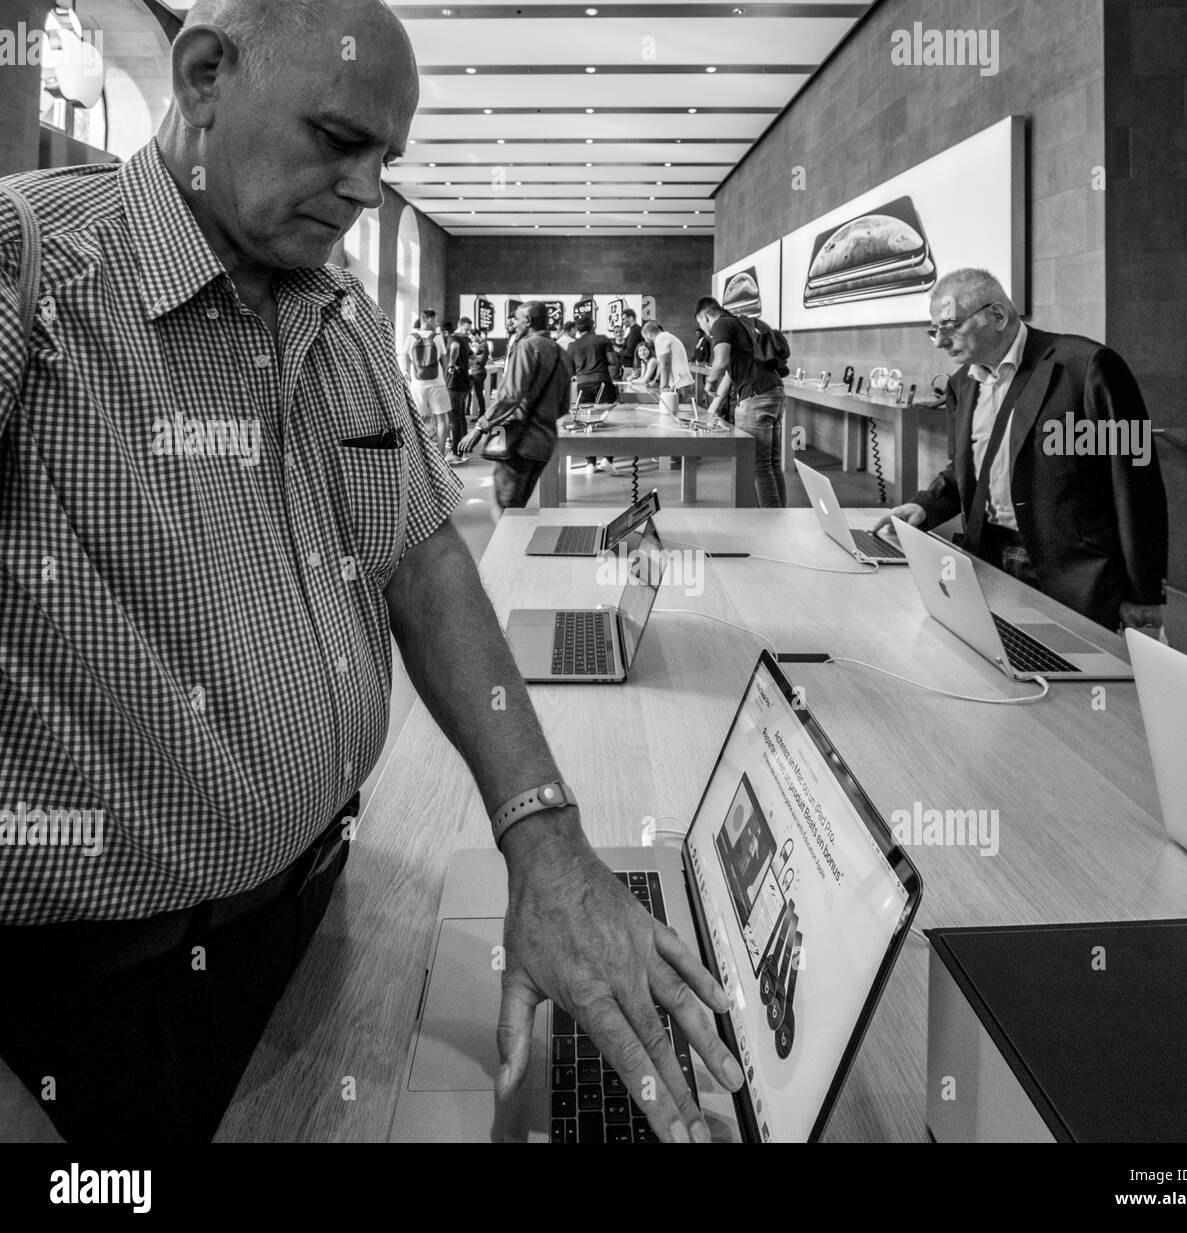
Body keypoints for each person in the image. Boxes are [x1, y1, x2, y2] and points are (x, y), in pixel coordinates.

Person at [0, 0, 738, 1144]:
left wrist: (540, 836)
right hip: (89, 1002)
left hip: (316, 912)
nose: (364, 190)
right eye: (337, 139)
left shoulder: (341, 316)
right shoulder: (29, 270)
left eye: (386, 160)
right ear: (201, 75)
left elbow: (424, 558)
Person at [874, 268, 1168, 634]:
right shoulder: (961, 384)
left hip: (1073, 575)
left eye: (950, 327)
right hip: (988, 560)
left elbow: (1136, 485)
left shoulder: (1086, 368)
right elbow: (968, 469)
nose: (939, 342)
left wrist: (1144, 592)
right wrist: (924, 505)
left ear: (996, 315)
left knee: (1080, 686)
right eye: (934, 330)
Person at [466, 301, 571, 510]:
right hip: (545, 443)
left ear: (529, 320)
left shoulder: (526, 347)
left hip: (519, 443)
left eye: (517, 319)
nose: (514, 324)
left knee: (505, 509)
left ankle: (506, 544)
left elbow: (511, 395)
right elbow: (564, 406)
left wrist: (480, 427)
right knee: (517, 507)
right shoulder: (562, 353)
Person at [696, 295, 787, 507]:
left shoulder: (721, 324)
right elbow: (732, 372)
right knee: (772, 463)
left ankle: (770, 522)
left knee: (758, 466)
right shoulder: (745, 323)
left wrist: (709, 380)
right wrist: (714, 405)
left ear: (706, 316)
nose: (705, 330)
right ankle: (781, 515)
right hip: (774, 392)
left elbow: (721, 361)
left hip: (754, 397)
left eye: (701, 324)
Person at [567, 313, 619, 473]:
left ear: (577, 328)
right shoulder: (602, 339)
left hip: (583, 385)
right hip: (602, 382)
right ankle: (607, 459)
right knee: (607, 421)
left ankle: (590, 463)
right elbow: (613, 360)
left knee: (585, 422)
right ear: (593, 325)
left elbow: (569, 369)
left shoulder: (572, 345)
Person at [404, 308, 452, 449]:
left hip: (417, 385)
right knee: (441, 419)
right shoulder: (437, 337)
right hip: (437, 383)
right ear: (428, 319)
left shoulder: (411, 337)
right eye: (435, 319)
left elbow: (405, 358)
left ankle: (419, 451)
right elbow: (444, 360)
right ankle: (441, 453)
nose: (436, 322)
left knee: (416, 420)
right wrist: (442, 375)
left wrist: (409, 375)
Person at [443, 316, 474, 465]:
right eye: (466, 329)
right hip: (464, 382)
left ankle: (455, 451)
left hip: (454, 382)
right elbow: (474, 358)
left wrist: (451, 364)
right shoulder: (464, 340)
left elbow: (454, 348)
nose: (467, 332)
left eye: (468, 330)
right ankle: (462, 448)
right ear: (460, 325)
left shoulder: (453, 338)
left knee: (455, 418)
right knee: (460, 417)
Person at [643, 320, 693, 405]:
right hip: (680, 384)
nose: (646, 341)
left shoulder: (661, 339)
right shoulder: (665, 337)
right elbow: (661, 365)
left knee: (682, 415)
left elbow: (665, 364)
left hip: (680, 385)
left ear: (648, 334)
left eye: (645, 338)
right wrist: (656, 380)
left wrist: (663, 386)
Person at [468, 326, 493, 417]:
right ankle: (469, 411)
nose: (472, 340)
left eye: (472, 337)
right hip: (475, 371)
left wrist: (472, 356)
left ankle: (482, 413)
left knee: (479, 394)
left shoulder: (483, 345)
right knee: (472, 393)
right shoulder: (480, 345)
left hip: (478, 371)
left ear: (477, 335)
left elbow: (481, 360)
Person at [618, 308, 643, 374]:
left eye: (623, 319)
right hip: (633, 366)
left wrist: (618, 350)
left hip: (631, 368)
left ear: (631, 318)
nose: (622, 321)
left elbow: (630, 352)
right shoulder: (636, 330)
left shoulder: (634, 331)